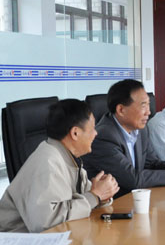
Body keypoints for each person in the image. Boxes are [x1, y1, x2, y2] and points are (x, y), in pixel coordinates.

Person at [0, 99, 119, 233]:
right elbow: (45, 224)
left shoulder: (69, 157)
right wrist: (95, 196)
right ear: (75, 133)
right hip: (16, 240)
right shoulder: (47, 162)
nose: (96, 133)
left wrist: (102, 195)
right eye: (92, 128)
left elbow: (85, 198)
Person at [82, 79, 165, 199]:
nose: (149, 112)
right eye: (143, 105)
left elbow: (151, 164)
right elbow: (132, 179)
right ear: (121, 110)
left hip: (135, 200)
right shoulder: (104, 136)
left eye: (148, 104)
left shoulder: (140, 130)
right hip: (112, 204)